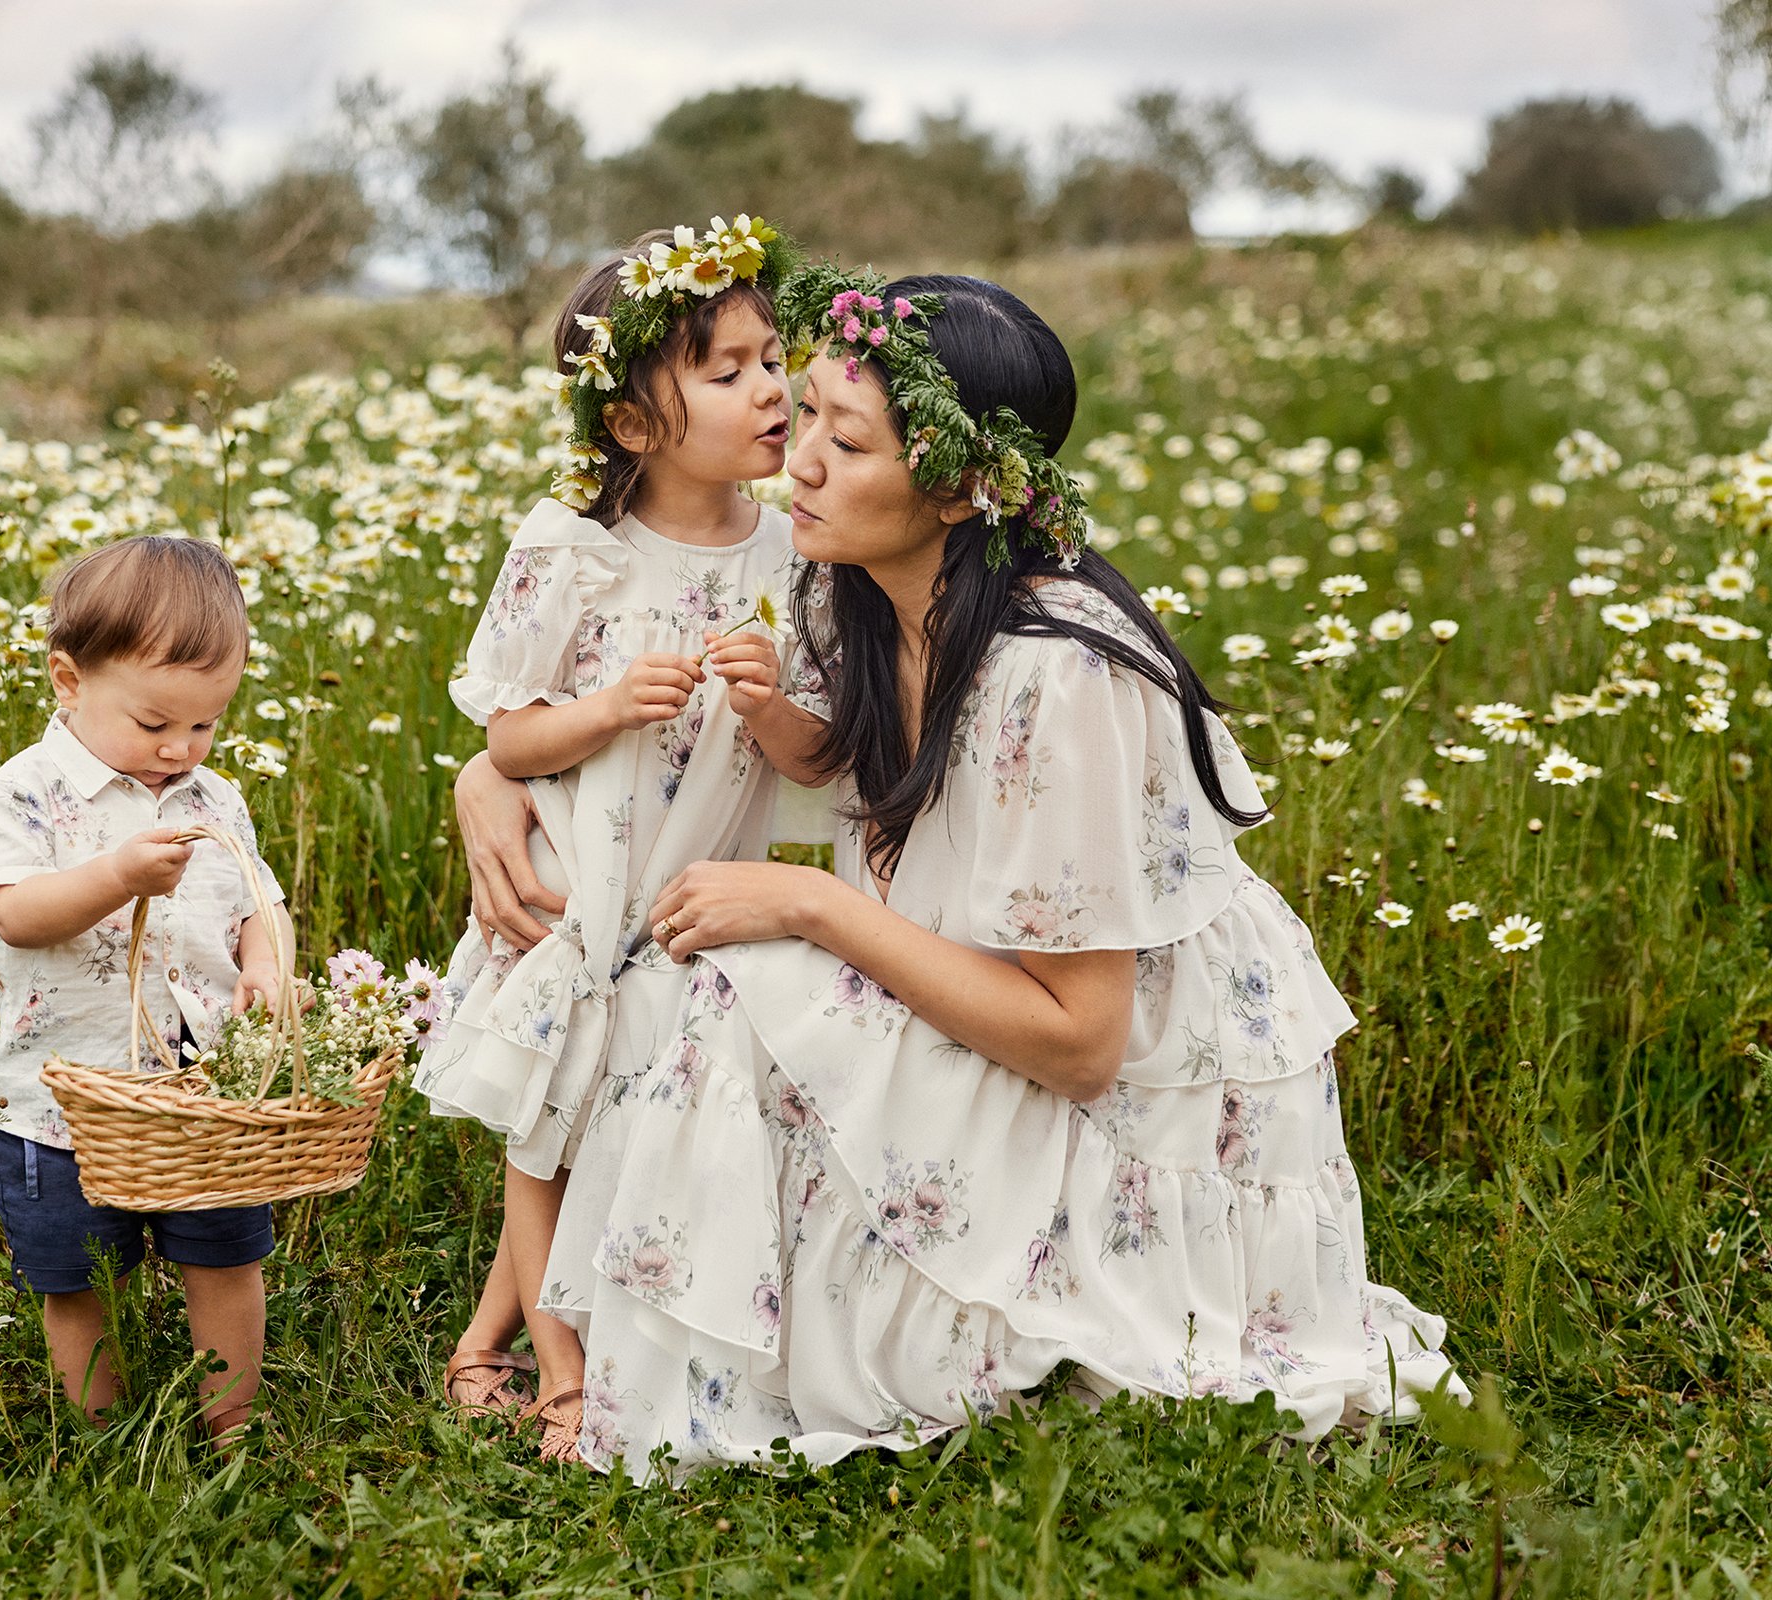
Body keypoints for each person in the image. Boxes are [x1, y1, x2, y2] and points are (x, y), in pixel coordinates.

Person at [458, 269, 1462, 1481]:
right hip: (975, 992)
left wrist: (812, 906)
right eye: (806, 415)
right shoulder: (854, 596)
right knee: (673, 990)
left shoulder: (1058, 676)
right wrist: (489, 777)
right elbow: (702, 744)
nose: (800, 461)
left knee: (716, 991)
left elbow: (1083, 1040)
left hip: (1136, 1091)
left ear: (957, 486)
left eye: (848, 439)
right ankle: (616, 1343)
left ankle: (671, 1367)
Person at [418, 217, 832, 1460]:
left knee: (597, 1126)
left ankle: (476, 1344)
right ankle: (560, 1375)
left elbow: (815, 761)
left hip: (690, 897)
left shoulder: (791, 553)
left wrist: (767, 702)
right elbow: (507, 735)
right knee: (548, 1136)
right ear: (633, 426)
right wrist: (603, 709)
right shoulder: (572, 552)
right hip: (577, 894)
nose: (773, 390)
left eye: (774, 358)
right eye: (729, 371)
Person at [0, 535, 293, 1445]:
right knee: (77, 1281)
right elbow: (15, 911)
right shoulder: (25, 794)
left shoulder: (213, 798)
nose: (180, 749)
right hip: (60, 1099)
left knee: (226, 1260)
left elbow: (259, 897)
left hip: (201, 1098)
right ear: (68, 681)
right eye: (155, 725)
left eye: (205, 725)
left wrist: (268, 961)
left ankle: (234, 1430)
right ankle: (100, 1439)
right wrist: (117, 876)